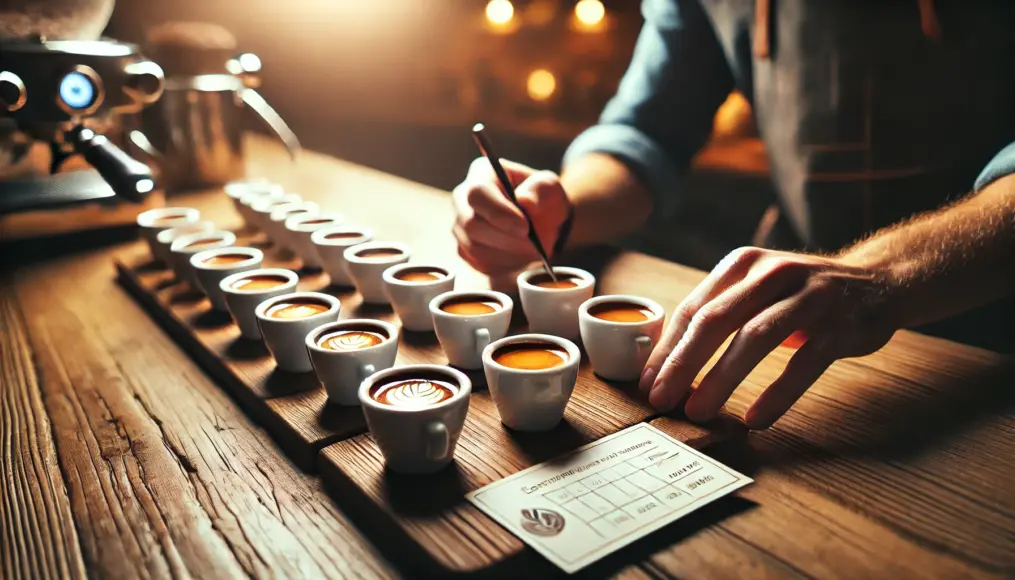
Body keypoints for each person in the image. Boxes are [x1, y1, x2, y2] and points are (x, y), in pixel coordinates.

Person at [452, 0, 1015, 428]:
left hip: (989, 345)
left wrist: (886, 275)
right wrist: (563, 207)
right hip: (790, 338)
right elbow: (645, 130)